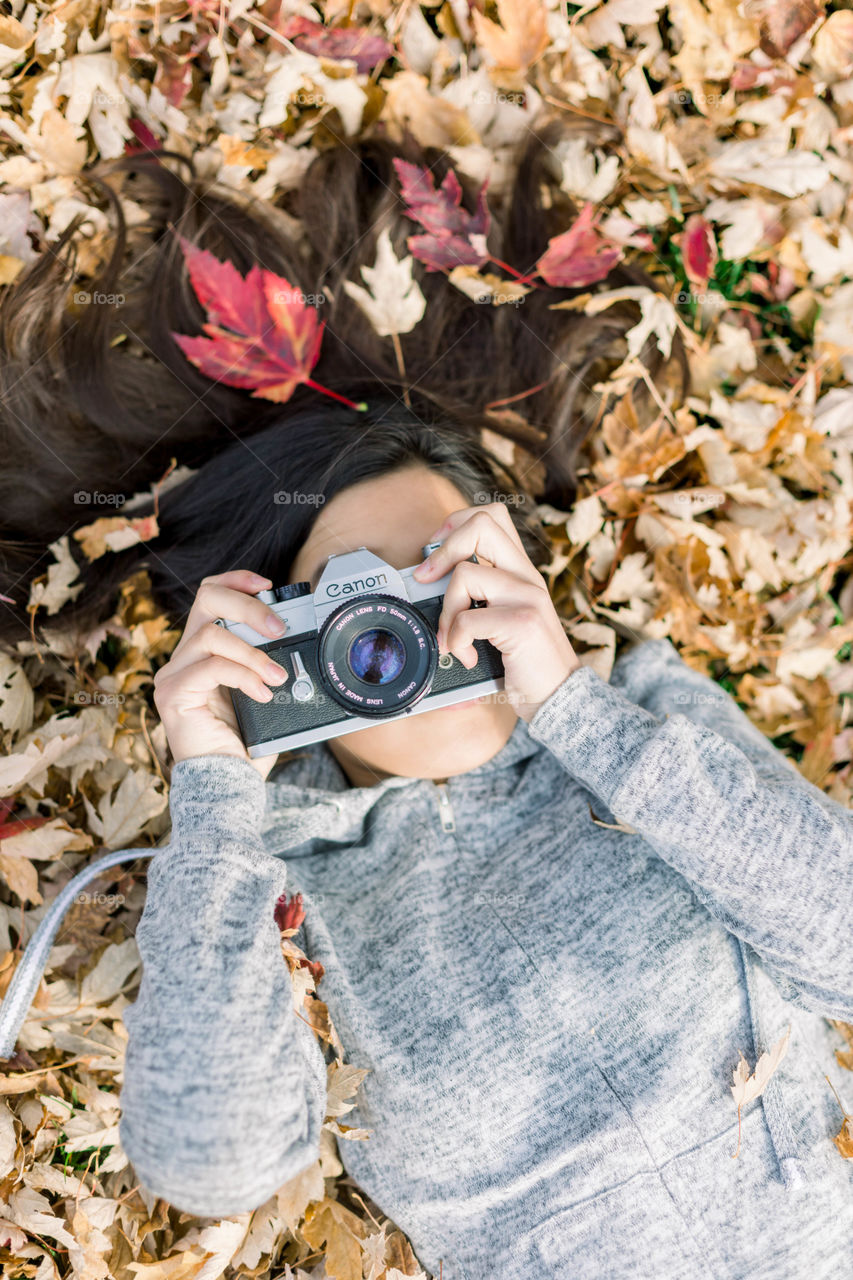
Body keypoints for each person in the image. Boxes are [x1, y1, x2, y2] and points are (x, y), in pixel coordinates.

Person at [0, 115, 851, 1279]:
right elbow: (210, 1164)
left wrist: (579, 714)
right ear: (278, 645)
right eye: (355, 618)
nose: (414, 635)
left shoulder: (638, 708)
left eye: (444, 579)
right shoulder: (278, 868)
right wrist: (211, 789)